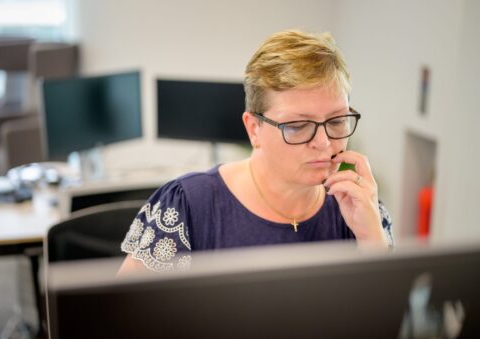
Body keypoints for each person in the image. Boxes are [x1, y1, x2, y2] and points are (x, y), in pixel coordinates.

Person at [119, 29, 393, 273]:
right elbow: (122, 317)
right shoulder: (188, 207)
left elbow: (386, 320)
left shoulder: (358, 208)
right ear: (254, 129)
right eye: (297, 126)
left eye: (336, 121)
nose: (324, 143)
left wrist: (372, 240)